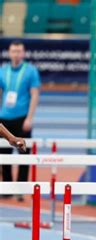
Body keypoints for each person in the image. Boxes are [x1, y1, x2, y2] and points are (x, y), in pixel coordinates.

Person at [0, 41, 40, 202]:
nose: (16, 54)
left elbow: (35, 94)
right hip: (4, 118)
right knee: (4, 155)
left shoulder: (30, 71)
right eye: (13, 51)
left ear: (23, 53)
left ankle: (21, 189)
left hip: (22, 118)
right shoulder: (3, 70)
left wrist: (30, 118)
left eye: (19, 51)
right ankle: (7, 188)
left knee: (24, 154)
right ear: (9, 53)